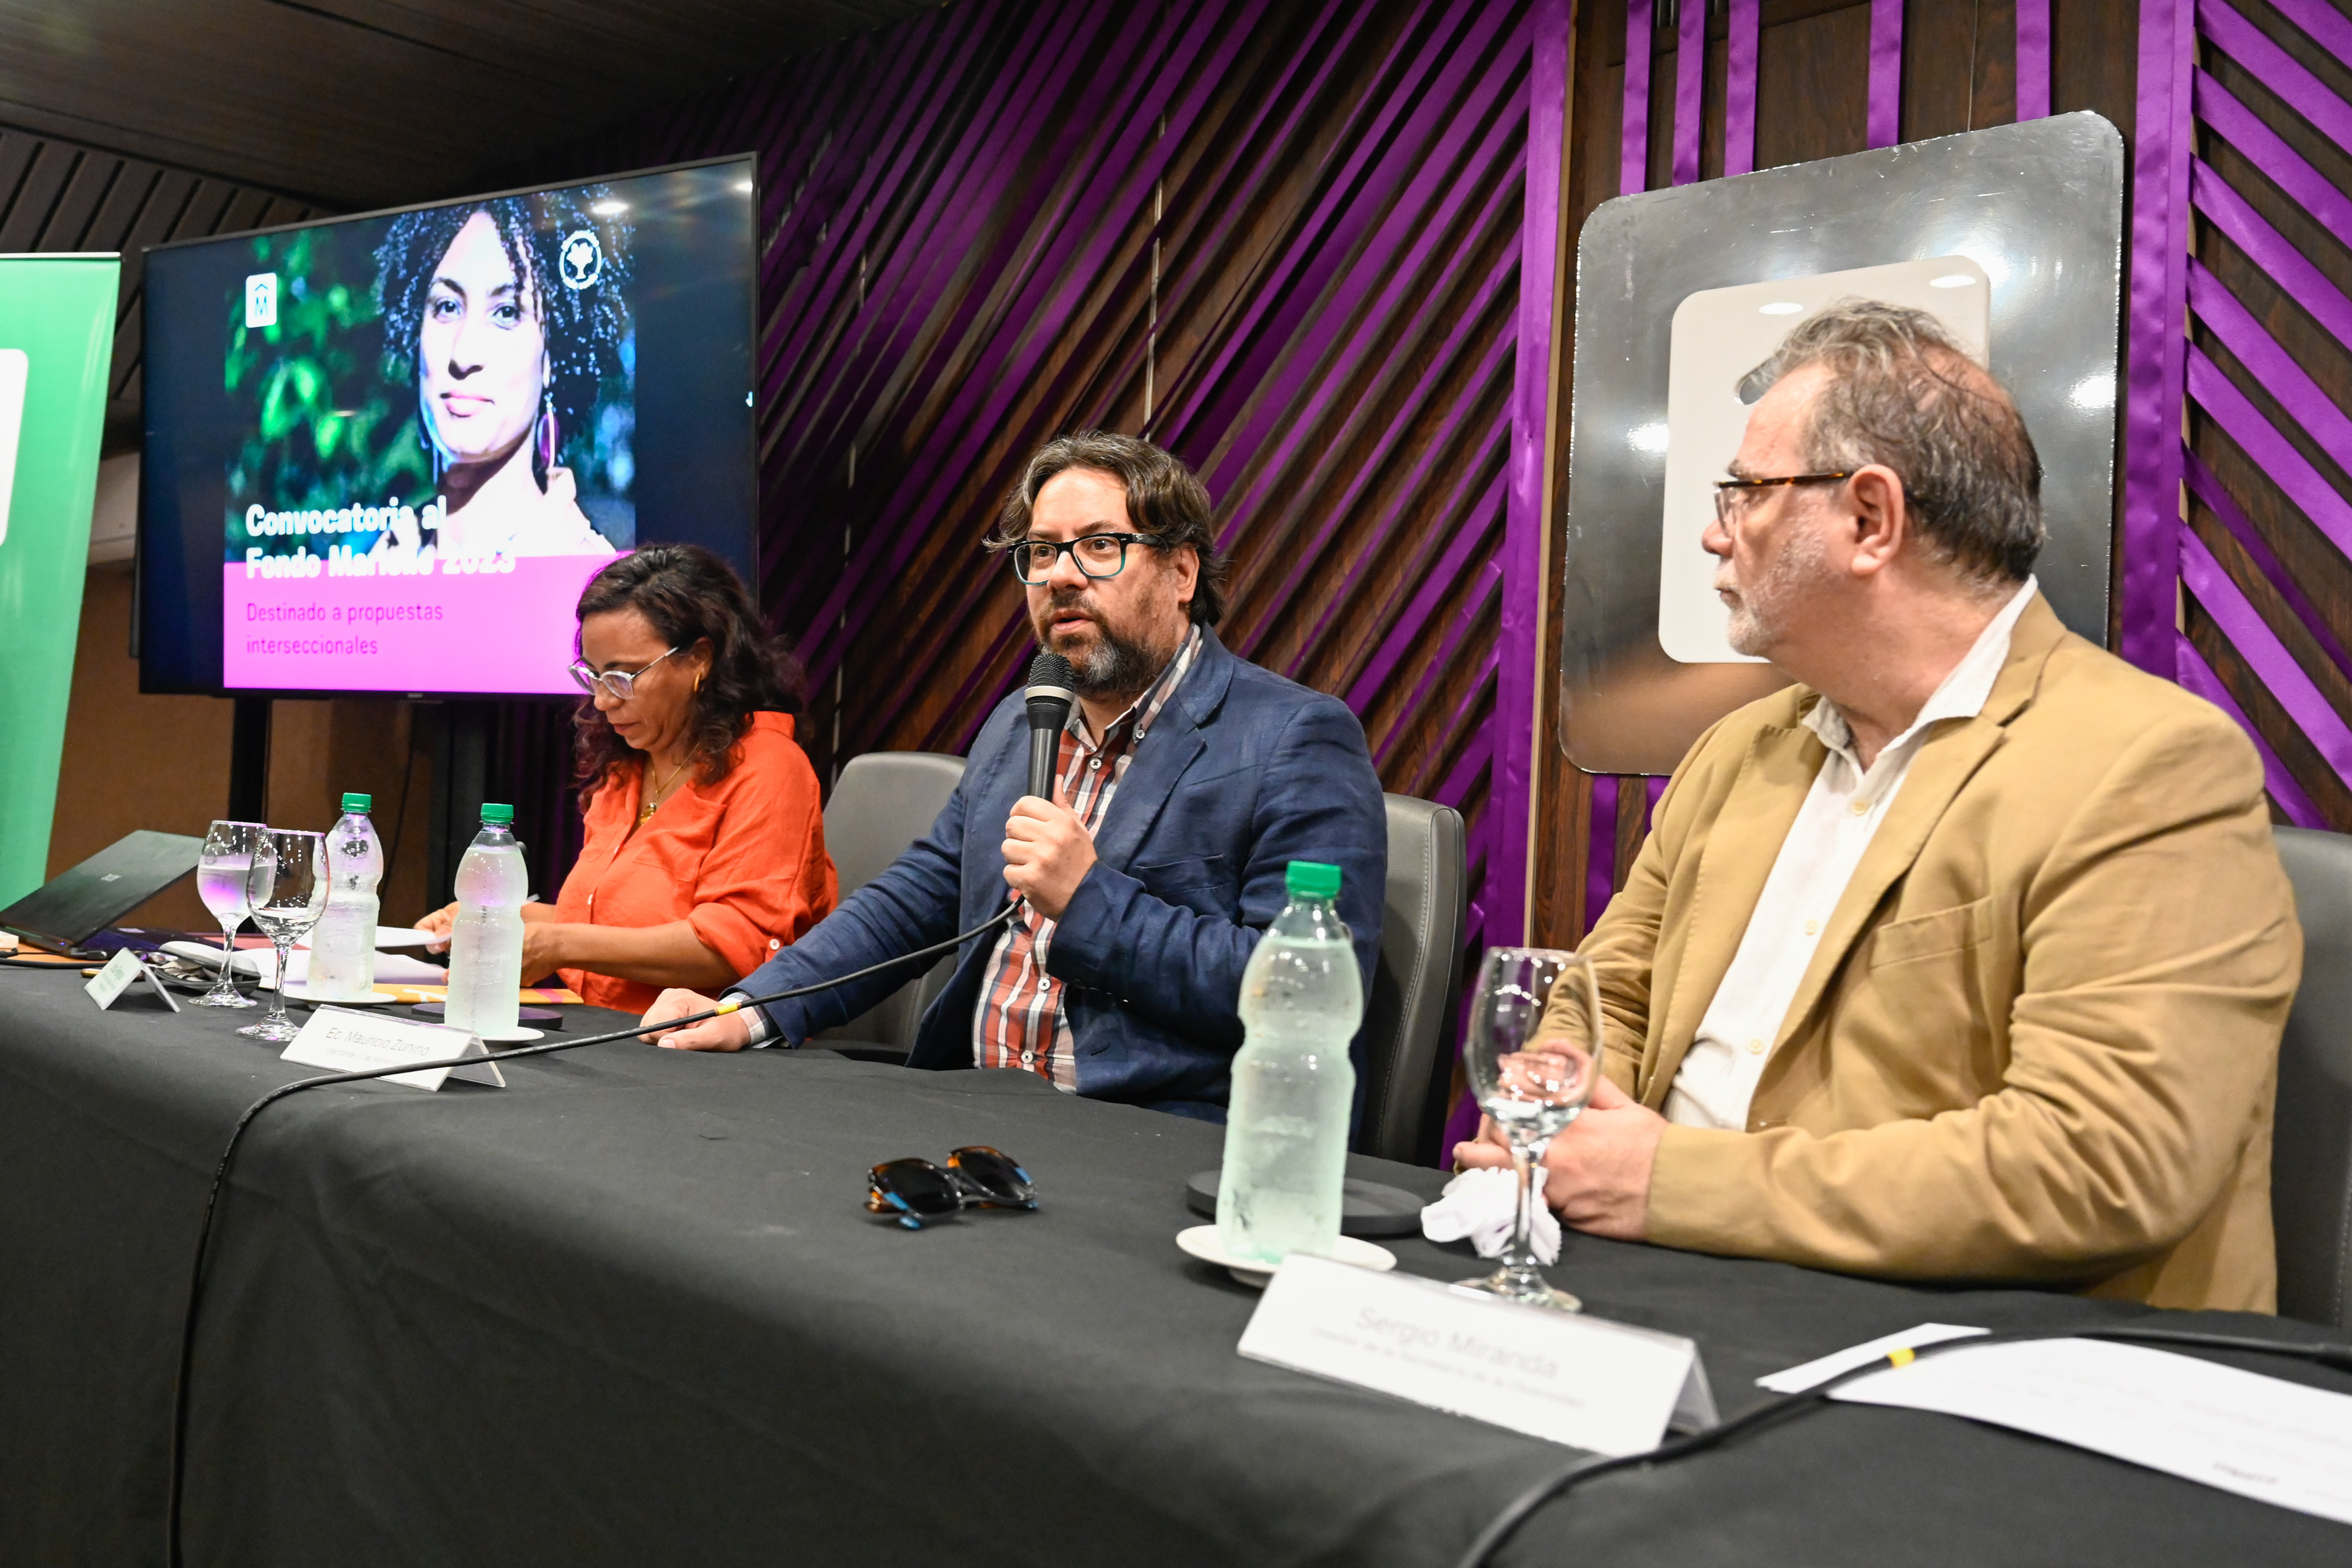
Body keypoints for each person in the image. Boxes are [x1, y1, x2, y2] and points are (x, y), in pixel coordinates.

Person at [1461, 301, 2299, 1312]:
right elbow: (1618, 990)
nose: (1712, 532)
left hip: (1962, 1353)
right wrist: (1554, 1087)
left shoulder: (2150, 766)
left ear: (1870, 519)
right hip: (1652, 1286)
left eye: (1745, 492)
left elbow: (2100, 1161)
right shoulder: (1739, 750)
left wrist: (1665, 1180)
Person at [642, 431, 1388, 1122]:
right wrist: (749, 1009)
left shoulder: (1294, 737)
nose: (1060, 575)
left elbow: (1306, 997)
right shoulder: (1023, 719)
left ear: (1182, 571)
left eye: (1099, 546)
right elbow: (912, 904)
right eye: (1039, 551)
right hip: (974, 1113)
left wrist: (1090, 899)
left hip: (1145, 1138)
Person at [418, 545, 837, 1014]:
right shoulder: (628, 765)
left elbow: (732, 946)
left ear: (699, 659)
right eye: (593, 676)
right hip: (601, 1029)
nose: (602, 701)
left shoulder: (770, 767)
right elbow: (616, 921)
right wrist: (501, 919)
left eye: (622, 676)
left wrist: (557, 944)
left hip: (704, 1049)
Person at [372, 188, 631, 561]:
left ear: (551, 359)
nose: (463, 354)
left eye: (507, 313)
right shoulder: (377, 565)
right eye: (446, 307)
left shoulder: (593, 582)